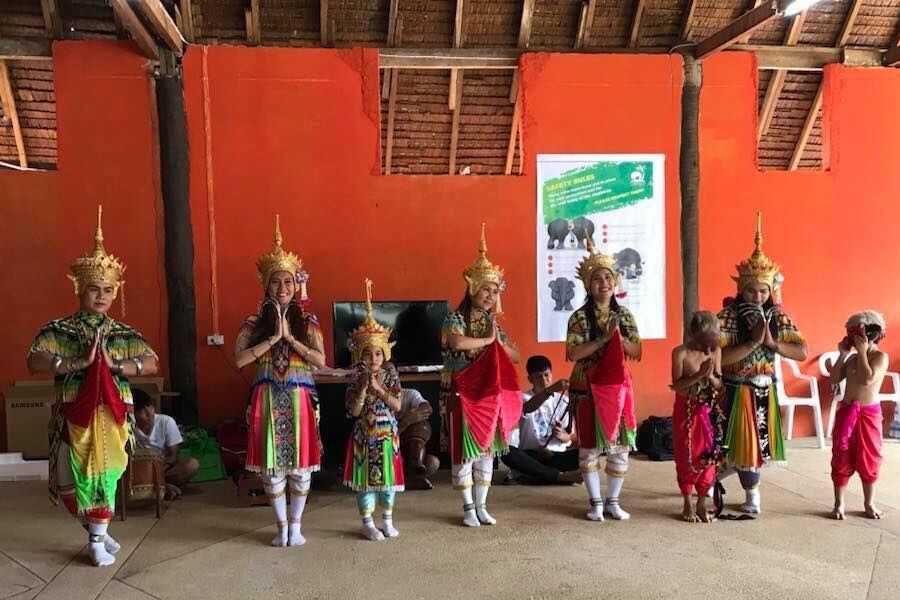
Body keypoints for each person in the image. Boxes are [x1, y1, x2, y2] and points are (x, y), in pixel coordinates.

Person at [26, 206, 159, 567]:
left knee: (106, 474)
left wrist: (117, 365)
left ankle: (97, 538)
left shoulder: (123, 333)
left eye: (108, 290)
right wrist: (73, 363)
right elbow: (34, 358)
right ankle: (96, 529)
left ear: (115, 293)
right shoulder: (60, 329)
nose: (101, 296)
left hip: (113, 413)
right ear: (79, 288)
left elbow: (152, 361)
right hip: (73, 412)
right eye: (94, 289)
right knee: (68, 481)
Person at [234, 215, 327, 547]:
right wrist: (274, 338)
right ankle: (280, 527)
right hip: (267, 398)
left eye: (288, 282)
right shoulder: (253, 322)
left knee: (300, 465)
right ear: (266, 285)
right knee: (272, 467)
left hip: (300, 397)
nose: (283, 288)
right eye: (276, 282)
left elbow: (320, 361)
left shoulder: (308, 320)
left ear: (295, 284)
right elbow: (240, 360)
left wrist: (293, 338)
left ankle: (297, 525)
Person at [717, 214, 807, 514]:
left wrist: (773, 345)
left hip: (764, 390)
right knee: (740, 445)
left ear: (771, 291)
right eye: (752, 290)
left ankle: (743, 490)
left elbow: (801, 352)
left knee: (755, 447)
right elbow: (716, 359)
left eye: (764, 291)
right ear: (741, 289)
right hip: (735, 389)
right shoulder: (728, 318)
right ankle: (735, 486)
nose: (758, 296)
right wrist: (751, 344)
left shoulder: (777, 317)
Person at [441, 223, 521, 527]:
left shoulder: (495, 325)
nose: (490, 295)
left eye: (494, 290)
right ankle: (466, 507)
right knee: (467, 452)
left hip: (488, 394)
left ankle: (482, 504)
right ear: (473, 287)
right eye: (486, 288)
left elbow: (514, 355)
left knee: (487, 451)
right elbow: (456, 342)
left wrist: (496, 341)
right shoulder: (454, 317)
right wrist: (488, 342)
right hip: (463, 391)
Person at [566, 237, 642, 522]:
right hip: (587, 388)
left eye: (608, 277)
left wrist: (618, 338)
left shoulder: (624, 315)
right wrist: (602, 341)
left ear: (615, 281)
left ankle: (613, 500)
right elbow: (574, 353)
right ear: (587, 285)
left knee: (620, 449)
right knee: (589, 450)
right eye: (596, 279)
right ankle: (595, 502)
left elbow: (637, 350)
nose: (603, 283)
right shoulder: (579, 318)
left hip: (619, 388)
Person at [343, 279, 405, 540]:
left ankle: (387, 521)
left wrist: (379, 390)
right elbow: (354, 412)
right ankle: (367, 522)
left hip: (387, 433)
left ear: (385, 354)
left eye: (378, 354)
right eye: (368, 354)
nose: (373, 359)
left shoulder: (390, 376)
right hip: (364, 434)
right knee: (365, 481)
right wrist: (364, 390)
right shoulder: (354, 377)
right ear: (360, 356)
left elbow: (398, 406)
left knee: (388, 481)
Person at [828, 311, 889, 520]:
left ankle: (869, 502)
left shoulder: (880, 357)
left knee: (869, 458)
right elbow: (834, 378)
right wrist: (843, 355)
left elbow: (866, 380)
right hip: (846, 412)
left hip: (868, 416)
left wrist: (863, 352)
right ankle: (839, 503)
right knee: (840, 458)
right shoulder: (853, 357)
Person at [670, 311, 726, 523]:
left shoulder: (716, 351)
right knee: (687, 455)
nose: (708, 349)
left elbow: (720, 385)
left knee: (709, 456)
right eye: (704, 343)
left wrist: (711, 376)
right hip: (686, 410)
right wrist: (698, 375)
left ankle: (702, 501)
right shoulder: (680, 353)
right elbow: (677, 386)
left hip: (708, 412)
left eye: (712, 343)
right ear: (693, 335)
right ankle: (687, 502)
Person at [501, 355, 580, 485]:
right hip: (532, 454)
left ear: (551, 374)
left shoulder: (564, 400)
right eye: (538, 376)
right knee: (506, 451)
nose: (544, 380)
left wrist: (562, 436)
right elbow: (528, 408)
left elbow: (570, 437)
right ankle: (559, 477)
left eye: (546, 375)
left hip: (556, 456)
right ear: (530, 379)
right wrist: (550, 390)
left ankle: (528, 474)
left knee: (587, 452)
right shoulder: (523, 397)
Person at [132, 389, 199, 499]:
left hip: (163, 470)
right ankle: (163, 487)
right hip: (138, 472)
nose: (148, 413)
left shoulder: (166, 422)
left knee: (192, 465)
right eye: (141, 411)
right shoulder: (127, 426)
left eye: (149, 407)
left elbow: (173, 457)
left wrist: (157, 472)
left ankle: (157, 485)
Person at [397, 388, 440, 490]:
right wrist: (406, 422)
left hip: (409, 450)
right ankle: (407, 481)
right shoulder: (379, 398)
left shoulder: (409, 394)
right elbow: (385, 437)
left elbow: (427, 408)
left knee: (433, 462)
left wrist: (417, 412)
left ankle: (414, 469)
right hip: (390, 450)